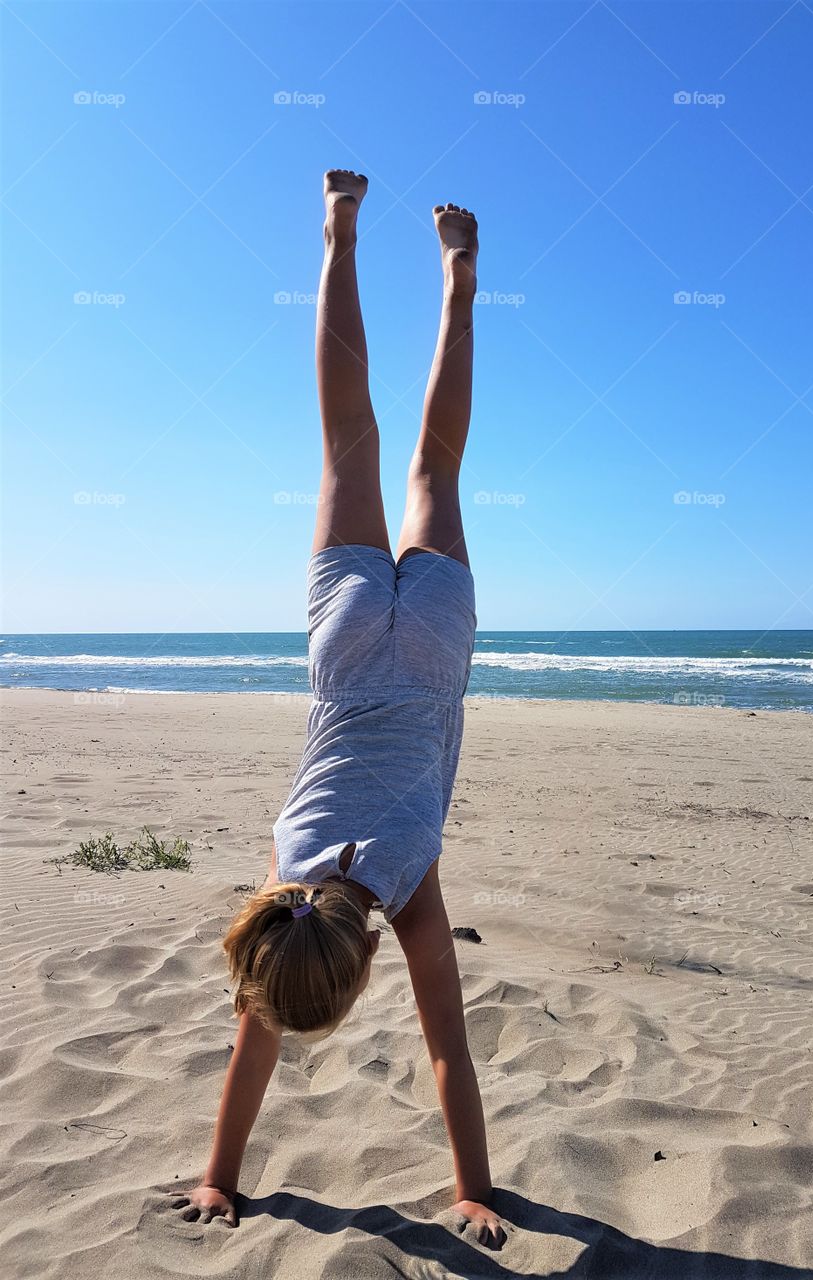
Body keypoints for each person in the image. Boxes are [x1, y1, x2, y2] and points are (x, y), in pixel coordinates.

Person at [169, 170, 504, 1248]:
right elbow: (253, 1029)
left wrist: (474, 1192)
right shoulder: (282, 889)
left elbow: (446, 1040)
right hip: (349, 646)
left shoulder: (405, 888)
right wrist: (216, 1174)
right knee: (349, 436)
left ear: (365, 962)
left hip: (436, 643)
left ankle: (459, 283)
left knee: (432, 462)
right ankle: (340, 234)